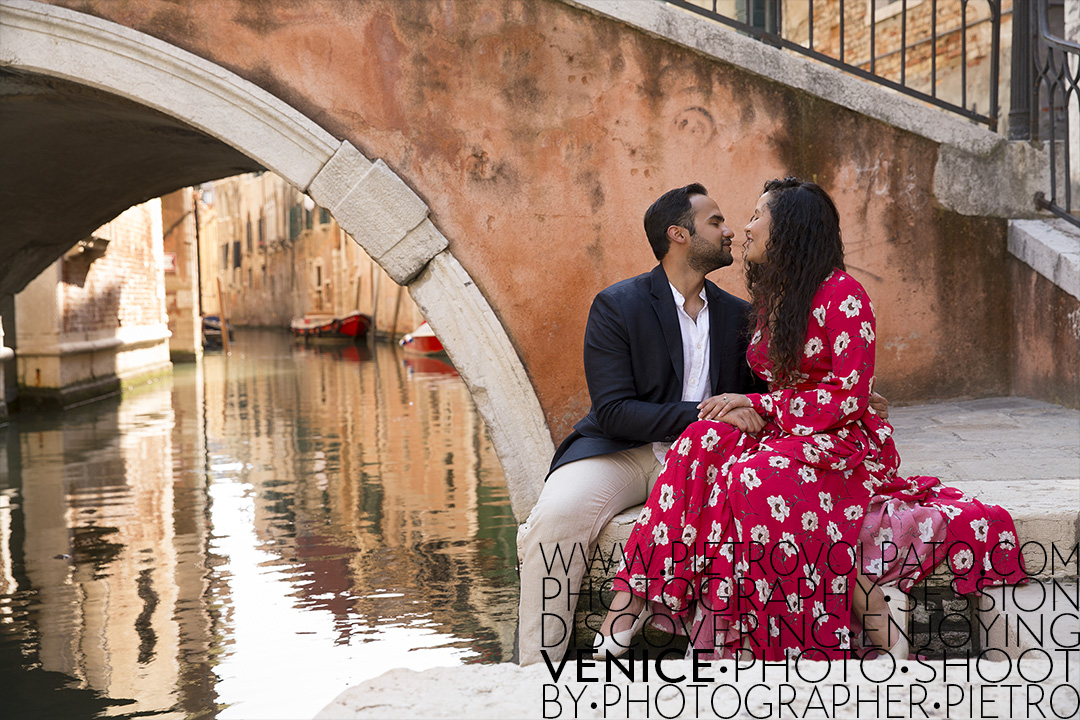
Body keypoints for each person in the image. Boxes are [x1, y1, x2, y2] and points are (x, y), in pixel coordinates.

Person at [592, 178, 1027, 661]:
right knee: (697, 441)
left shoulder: (844, 295)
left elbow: (844, 396)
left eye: (758, 216)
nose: (745, 227)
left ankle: (785, 639)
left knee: (750, 477)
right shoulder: (775, 300)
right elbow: (774, 384)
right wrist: (749, 406)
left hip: (841, 439)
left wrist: (763, 405)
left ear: (790, 229)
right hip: (786, 429)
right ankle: (625, 610)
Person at [515, 182, 887, 665]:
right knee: (556, 517)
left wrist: (854, 397)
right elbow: (612, 410)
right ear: (679, 235)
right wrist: (708, 409)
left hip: (713, 453)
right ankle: (532, 669)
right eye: (716, 222)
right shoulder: (618, 305)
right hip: (625, 450)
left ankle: (713, 641)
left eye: (743, 218)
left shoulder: (744, 314)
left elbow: (782, 387)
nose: (732, 229)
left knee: (748, 495)